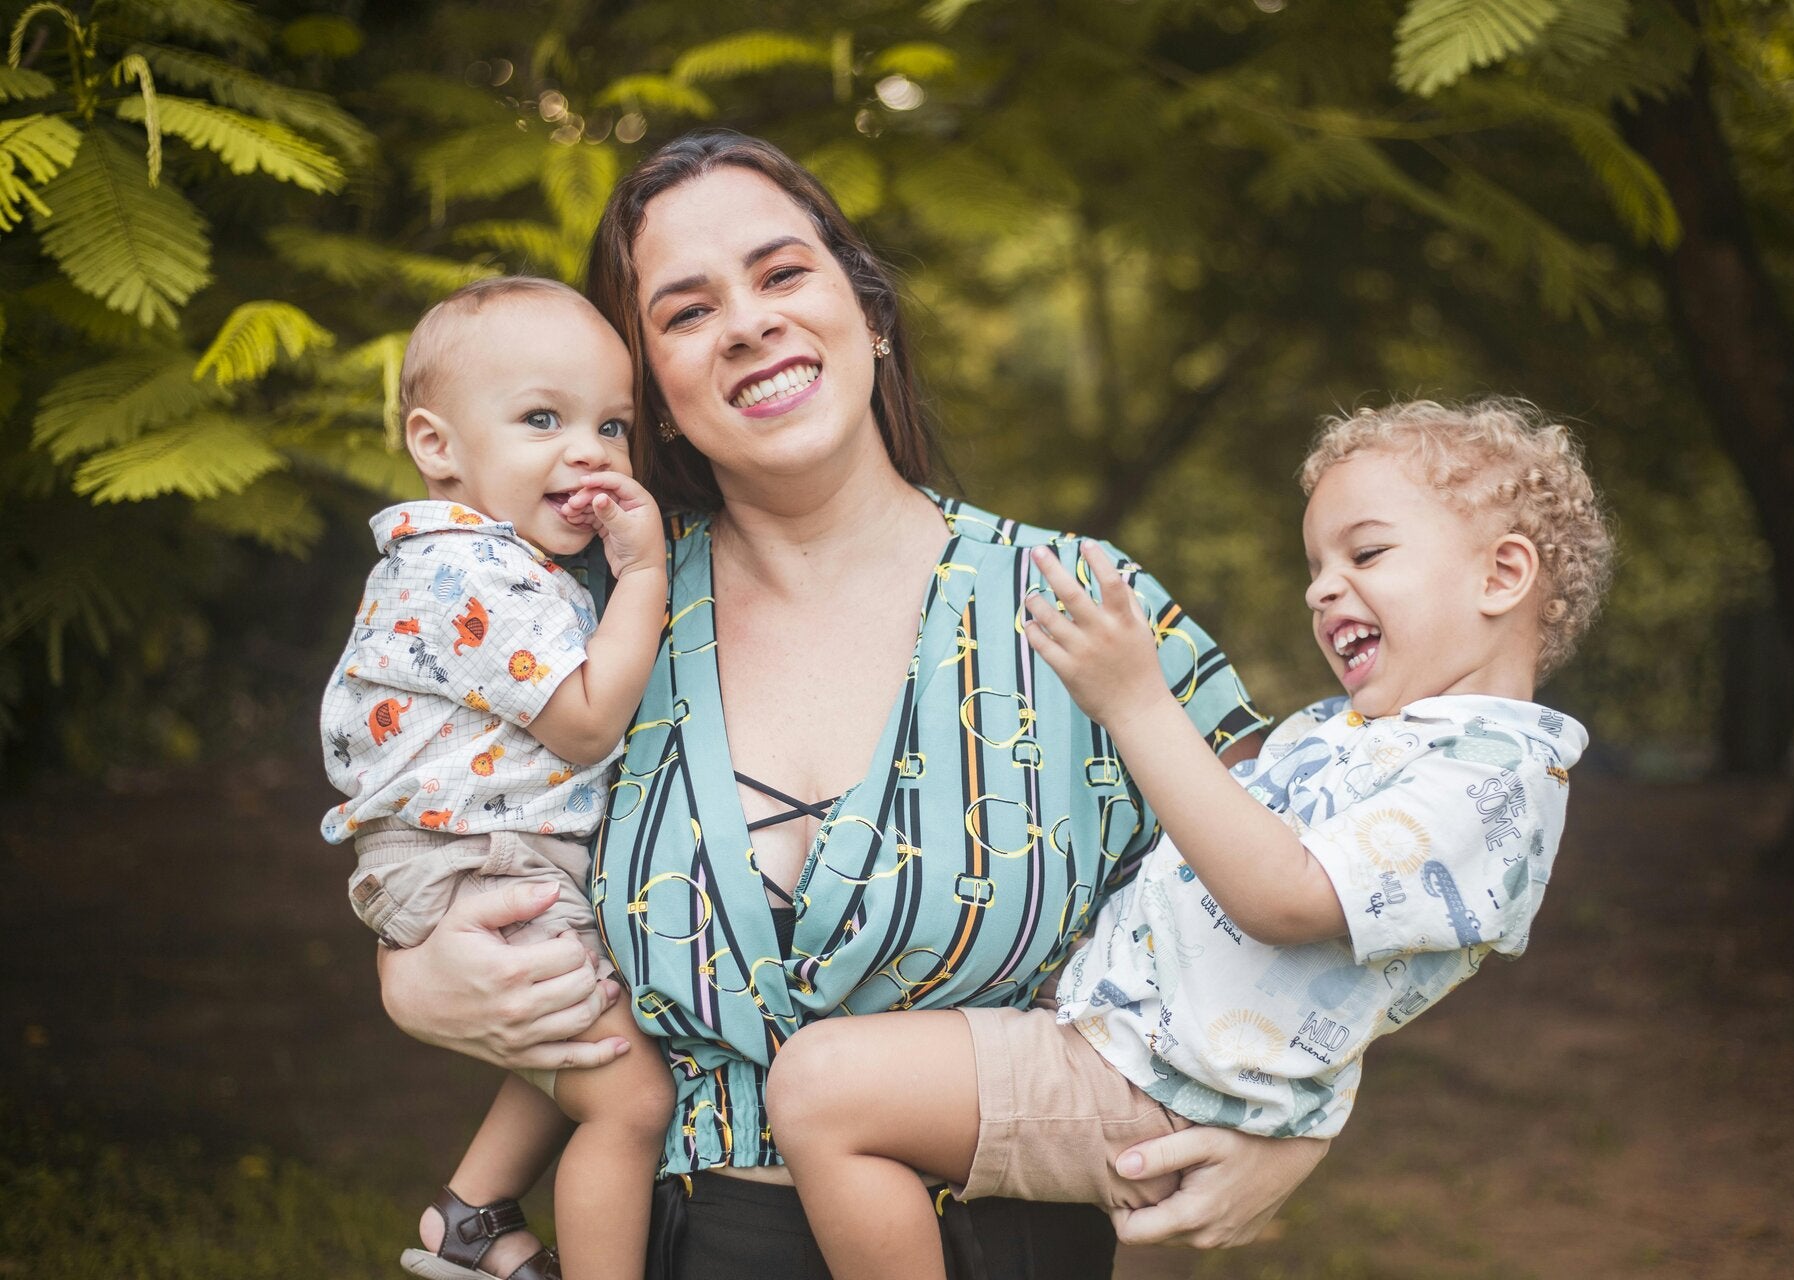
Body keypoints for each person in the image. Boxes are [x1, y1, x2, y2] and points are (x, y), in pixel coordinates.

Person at [376, 130, 1331, 1278]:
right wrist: (409, 973)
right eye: (687, 312)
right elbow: (418, 795)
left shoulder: (1082, 600)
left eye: (782, 273)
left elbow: (1324, 880)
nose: (747, 323)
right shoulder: (578, 617)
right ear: (650, 398)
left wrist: (1303, 1119)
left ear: (866, 309)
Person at [766, 398, 1615, 1280]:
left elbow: (1284, 897)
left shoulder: (1494, 777)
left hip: (1153, 1086)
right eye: (1317, 566)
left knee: (823, 1090)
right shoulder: (1369, 733)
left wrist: (1137, 703)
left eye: (1365, 554)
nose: (1321, 588)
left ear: (1501, 575)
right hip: (1127, 1047)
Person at [320, 276, 675, 1280]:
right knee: (631, 1097)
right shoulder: (474, 573)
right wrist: (645, 574)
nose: (590, 450)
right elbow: (587, 722)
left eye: (611, 425)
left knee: (584, 1033)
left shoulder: (491, 560)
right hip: (477, 858)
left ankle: (470, 1214)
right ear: (437, 445)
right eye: (541, 419)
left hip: (475, 846)